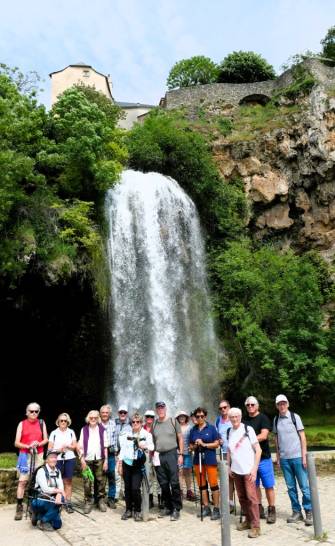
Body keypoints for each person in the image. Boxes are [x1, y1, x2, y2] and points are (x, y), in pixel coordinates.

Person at [273, 394, 312, 526]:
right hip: (285, 459)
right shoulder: (276, 420)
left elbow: (302, 437)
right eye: (279, 404)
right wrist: (278, 456)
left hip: (297, 457)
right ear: (277, 406)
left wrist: (304, 455)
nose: (282, 406)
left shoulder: (295, 417)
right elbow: (276, 439)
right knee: (290, 488)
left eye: (284, 403)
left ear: (287, 404)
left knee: (304, 487)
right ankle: (296, 512)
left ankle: (309, 511)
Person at [227, 407, 262, 539]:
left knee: (252, 498)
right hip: (236, 471)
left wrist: (254, 469)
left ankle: (256, 526)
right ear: (229, 419)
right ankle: (248, 520)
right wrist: (229, 466)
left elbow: (258, 450)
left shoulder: (248, 430)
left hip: (248, 470)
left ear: (240, 417)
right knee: (242, 498)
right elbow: (229, 450)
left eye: (236, 416)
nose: (234, 419)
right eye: (232, 417)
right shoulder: (230, 431)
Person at [244, 396, 276, 524]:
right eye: (248, 405)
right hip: (250, 460)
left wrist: (250, 440)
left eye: (252, 404)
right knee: (255, 486)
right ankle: (259, 507)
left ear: (257, 406)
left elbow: (264, 435)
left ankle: (272, 509)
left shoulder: (263, 418)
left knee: (268, 485)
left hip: (264, 459)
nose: (250, 407)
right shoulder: (244, 420)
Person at [14, 402, 48, 521]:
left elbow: (46, 439)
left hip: (38, 454)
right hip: (25, 455)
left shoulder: (41, 422)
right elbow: (16, 443)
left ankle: (33, 505)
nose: (34, 413)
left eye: (36, 411)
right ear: (27, 412)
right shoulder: (22, 424)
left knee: (36, 480)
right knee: (23, 481)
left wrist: (38, 443)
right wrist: (28, 446)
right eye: (31, 411)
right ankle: (19, 506)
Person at [117, 412, 154, 521]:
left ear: (141, 423)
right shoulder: (126, 434)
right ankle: (128, 509)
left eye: (138, 422)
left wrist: (145, 445)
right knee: (127, 488)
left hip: (138, 465)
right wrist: (119, 465)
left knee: (135, 488)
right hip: (127, 463)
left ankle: (137, 510)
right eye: (133, 422)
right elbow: (122, 450)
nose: (135, 424)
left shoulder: (146, 434)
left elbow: (152, 447)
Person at [151, 401, 183, 521]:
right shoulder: (154, 424)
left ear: (165, 408)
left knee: (174, 482)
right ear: (156, 410)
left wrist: (180, 454)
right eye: (158, 408)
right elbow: (153, 441)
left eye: (162, 408)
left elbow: (180, 437)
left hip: (172, 454)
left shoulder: (173, 421)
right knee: (163, 483)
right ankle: (168, 506)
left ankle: (176, 508)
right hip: (159, 455)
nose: (160, 410)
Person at [189, 406, 220, 520]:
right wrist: (196, 445)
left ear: (205, 416)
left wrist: (205, 444)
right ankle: (206, 507)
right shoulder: (193, 430)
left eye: (202, 416)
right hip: (198, 461)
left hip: (210, 460)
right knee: (202, 485)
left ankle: (216, 508)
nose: (200, 418)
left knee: (213, 484)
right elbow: (191, 447)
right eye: (197, 416)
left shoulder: (211, 428)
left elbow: (217, 443)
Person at [78, 410, 108, 514]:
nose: (93, 420)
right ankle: (88, 501)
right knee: (87, 481)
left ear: (98, 418)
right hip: (87, 459)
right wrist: (81, 460)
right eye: (91, 418)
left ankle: (100, 500)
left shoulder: (102, 430)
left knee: (101, 481)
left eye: (95, 418)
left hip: (100, 459)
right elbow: (80, 446)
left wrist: (106, 461)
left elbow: (105, 447)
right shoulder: (84, 430)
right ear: (88, 418)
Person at [48, 412, 77, 513]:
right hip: (57, 459)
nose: (63, 422)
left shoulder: (71, 432)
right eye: (61, 420)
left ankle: (68, 502)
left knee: (68, 481)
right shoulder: (54, 433)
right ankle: (57, 502)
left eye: (65, 420)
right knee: (56, 482)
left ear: (68, 422)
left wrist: (68, 446)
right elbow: (49, 448)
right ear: (58, 422)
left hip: (69, 458)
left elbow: (75, 446)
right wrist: (58, 450)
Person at [30, 449, 65, 531]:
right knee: (55, 503)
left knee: (57, 525)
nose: (54, 459)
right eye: (51, 457)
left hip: (52, 500)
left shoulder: (57, 471)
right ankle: (43, 520)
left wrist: (59, 495)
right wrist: (59, 491)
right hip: (40, 500)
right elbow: (45, 489)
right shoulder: (41, 471)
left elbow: (61, 487)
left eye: (55, 457)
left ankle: (38, 516)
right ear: (46, 459)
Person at [215, 399, 234, 512]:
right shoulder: (218, 420)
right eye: (221, 408)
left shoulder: (234, 418)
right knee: (228, 479)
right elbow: (216, 434)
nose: (223, 410)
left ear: (229, 407)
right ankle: (230, 503)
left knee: (239, 478)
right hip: (224, 452)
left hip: (236, 453)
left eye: (225, 407)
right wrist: (219, 440)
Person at [100, 404, 118, 508]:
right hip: (100, 453)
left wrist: (115, 452)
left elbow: (115, 439)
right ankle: (100, 498)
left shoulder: (113, 424)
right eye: (103, 412)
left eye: (107, 412)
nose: (105, 414)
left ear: (109, 413)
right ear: (100, 413)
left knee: (111, 475)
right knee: (100, 476)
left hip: (111, 453)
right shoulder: (97, 424)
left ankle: (111, 498)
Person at [176, 410, 195, 501]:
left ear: (186, 417)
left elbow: (192, 439)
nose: (182, 417)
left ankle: (189, 490)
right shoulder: (176, 427)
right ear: (178, 418)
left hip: (187, 452)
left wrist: (192, 447)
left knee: (187, 472)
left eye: (183, 416)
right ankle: (180, 490)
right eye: (180, 416)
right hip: (178, 453)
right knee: (179, 472)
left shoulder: (190, 427)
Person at [115, 405, 132, 502]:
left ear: (127, 414)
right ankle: (116, 495)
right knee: (117, 474)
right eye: (121, 412)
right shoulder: (114, 423)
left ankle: (126, 493)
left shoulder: (131, 424)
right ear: (118, 413)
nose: (122, 414)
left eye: (124, 412)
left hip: (126, 453)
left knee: (126, 474)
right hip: (117, 453)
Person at [143, 409, 157, 508]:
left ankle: (161, 499)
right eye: (147, 416)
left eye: (151, 417)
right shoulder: (141, 428)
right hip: (146, 457)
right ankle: (150, 498)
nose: (149, 418)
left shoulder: (157, 427)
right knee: (148, 477)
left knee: (159, 477)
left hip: (156, 455)